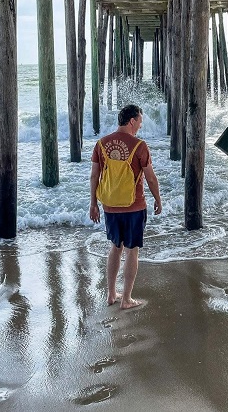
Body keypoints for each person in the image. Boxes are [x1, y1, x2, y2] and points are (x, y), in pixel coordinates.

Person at [89, 104, 162, 310]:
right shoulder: (139, 146)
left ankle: (111, 294)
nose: (140, 125)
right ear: (132, 121)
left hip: (109, 206)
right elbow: (150, 178)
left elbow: (94, 176)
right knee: (132, 251)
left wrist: (93, 203)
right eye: (139, 121)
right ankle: (126, 299)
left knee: (115, 247)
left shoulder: (101, 144)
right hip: (134, 206)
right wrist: (158, 199)